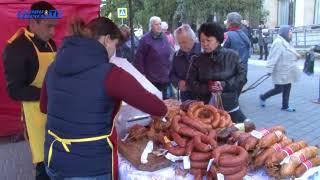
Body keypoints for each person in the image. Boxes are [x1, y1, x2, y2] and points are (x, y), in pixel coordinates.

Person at [40, 17, 167, 179]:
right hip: (89, 167)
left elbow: (44, 106)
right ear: (107, 39)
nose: (114, 52)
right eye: (115, 45)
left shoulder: (53, 66)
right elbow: (157, 107)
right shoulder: (110, 73)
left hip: (54, 159)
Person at [2, 1, 58, 179]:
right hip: (35, 117)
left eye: (54, 27)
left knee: (58, 158)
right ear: (33, 22)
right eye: (49, 26)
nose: (53, 32)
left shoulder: (51, 44)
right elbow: (15, 91)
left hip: (56, 112)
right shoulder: (17, 48)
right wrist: (49, 94)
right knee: (44, 165)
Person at [187, 22, 248, 123]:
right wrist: (208, 88)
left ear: (218, 40)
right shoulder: (197, 60)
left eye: (208, 40)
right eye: (202, 41)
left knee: (242, 130)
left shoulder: (232, 56)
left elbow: (242, 77)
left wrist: (224, 85)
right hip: (205, 110)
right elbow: (190, 82)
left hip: (230, 106)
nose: (205, 44)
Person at [259, 25, 300, 112]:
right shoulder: (278, 42)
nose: (291, 33)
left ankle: (285, 106)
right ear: (285, 32)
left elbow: (292, 53)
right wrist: (269, 69)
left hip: (288, 70)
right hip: (280, 71)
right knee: (279, 89)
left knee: (288, 88)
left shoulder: (287, 42)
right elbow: (273, 57)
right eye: (290, 32)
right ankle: (263, 97)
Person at [134, 16, 173, 99]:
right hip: (151, 79)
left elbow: (169, 54)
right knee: (154, 101)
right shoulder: (145, 39)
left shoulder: (164, 37)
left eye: (160, 24)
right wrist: (142, 75)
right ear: (151, 26)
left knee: (165, 102)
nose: (159, 26)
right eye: (156, 24)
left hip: (164, 77)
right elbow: (138, 59)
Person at [169, 24, 201, 101]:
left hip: (204, 98)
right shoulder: (176, 55)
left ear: (192, 39)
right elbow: (172, 74)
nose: (182, 45)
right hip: (186, 98)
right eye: (179, 43)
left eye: (184, 42)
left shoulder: (203, 51)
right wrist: (178, 82)